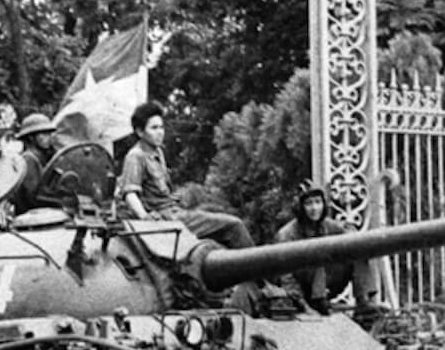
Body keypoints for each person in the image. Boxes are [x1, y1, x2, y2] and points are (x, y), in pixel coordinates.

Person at [115, 100, 255, 249]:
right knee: (234, 226)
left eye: (161, 127)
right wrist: (145, 217)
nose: (160, 132)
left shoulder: (157, 152)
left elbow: (156, 192)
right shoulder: (136, 156)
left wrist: (171, 197)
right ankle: (259, 269)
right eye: (154, 128)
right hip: (167, 219)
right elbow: (130, 194)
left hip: (175, 211)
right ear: (140, 132)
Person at [275, 180, 381, 315]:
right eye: (309, 203)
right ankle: (319, 302)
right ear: (300, 207)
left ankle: (364, 301)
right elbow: (286, 277)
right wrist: (304, 306)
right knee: (318, 252)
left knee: (356, 248)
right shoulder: (287, 234)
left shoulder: (329, 226)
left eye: (318, 202)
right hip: (302, 289)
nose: (314, 208)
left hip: (328, 284)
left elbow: (352, 239)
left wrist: (353, 235)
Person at [12, 112, 58, 213]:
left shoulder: (44, 158)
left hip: (42, 214)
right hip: (32, 217)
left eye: (49, 133)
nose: (48, 137)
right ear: (31, 137)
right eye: (43, 134)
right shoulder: (29, 159)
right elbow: (34, 197)